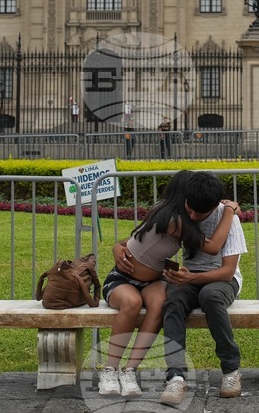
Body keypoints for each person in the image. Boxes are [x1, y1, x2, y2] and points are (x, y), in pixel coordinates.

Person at [100, 171, 239, 398]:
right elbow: (213, 247)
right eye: (190, 203)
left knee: (160, 304)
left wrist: (119, 245)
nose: (193, 213)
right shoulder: (175, 220)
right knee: (132, 303)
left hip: (154, 280)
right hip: (122, 279)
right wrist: (231, 211)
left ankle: (130, 371)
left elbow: (137, 240)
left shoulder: (171, 214)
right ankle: (109, 369)